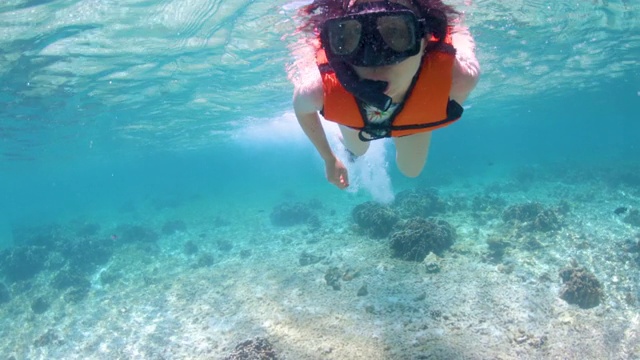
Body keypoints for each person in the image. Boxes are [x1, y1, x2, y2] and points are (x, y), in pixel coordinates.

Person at [288, 0, 480, 189]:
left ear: (425, 39)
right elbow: (301, 108)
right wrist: (329, 158)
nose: (373, 58)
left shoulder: (459, 78)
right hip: (357, 122)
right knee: (358, 150)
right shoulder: (318, 90)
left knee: (411, 170)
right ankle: (348, 142)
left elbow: (463, 44)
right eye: (351, 35)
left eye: (396, 32)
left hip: (412, 123)